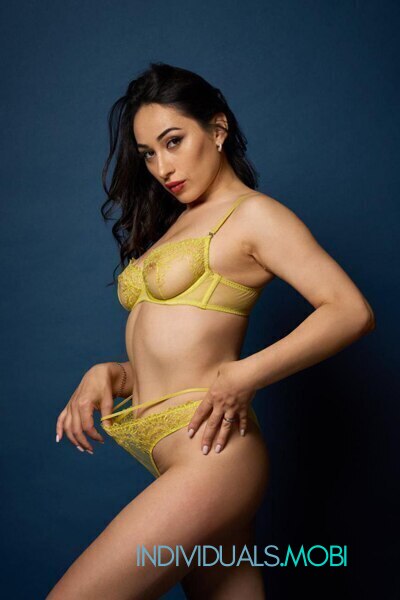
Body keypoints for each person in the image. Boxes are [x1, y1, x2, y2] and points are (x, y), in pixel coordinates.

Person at [48, 63, 375, 599]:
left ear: (217, 129)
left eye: (173, 141)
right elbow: (180, 352)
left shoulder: (253, 216)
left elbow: (350, 310)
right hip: (176, 452)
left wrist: (246, 374)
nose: (162, 167)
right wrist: (111, 373)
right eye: (148, 153)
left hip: (213, 456)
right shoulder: (176, 223)